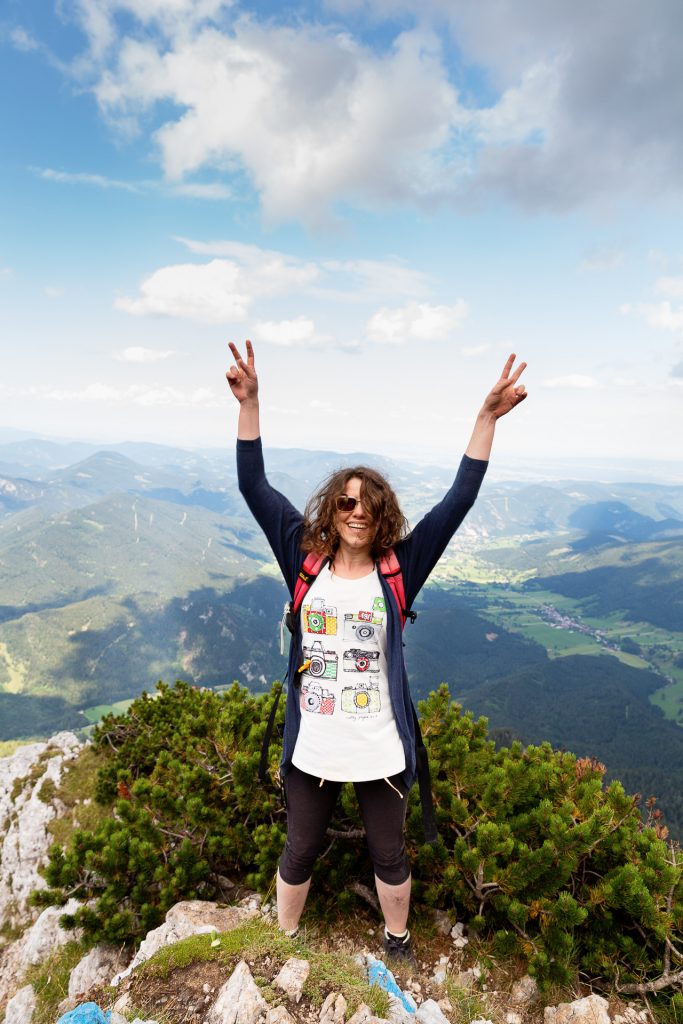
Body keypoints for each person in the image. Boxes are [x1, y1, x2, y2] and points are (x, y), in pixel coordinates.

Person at [226, 339, 527, 962]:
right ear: (332, 510)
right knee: (299, 847)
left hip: (381, 741)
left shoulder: (400, 568)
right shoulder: (302, 558)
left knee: (389, 852)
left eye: (368, 503)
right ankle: (282, 944)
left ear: (382, 513)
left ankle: (397, 941)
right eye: (346, 501)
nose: (356, 511)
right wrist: (251, 403)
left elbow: (457, 503)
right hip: (313, 742)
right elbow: (252, 483)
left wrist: (485, 420)